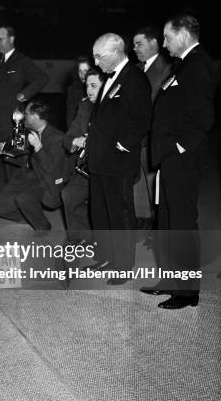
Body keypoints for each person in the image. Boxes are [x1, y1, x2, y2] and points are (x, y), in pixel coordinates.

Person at [144, 14, 215, 309]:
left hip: (180, 159)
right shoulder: (182, 65)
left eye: (167, 37)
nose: (163, 43)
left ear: (183, 35)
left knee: (182, 223)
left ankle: (188, 293)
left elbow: (201, 117)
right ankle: (171, 280)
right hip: (169, 158)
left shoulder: (198, 66)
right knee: (169, 222)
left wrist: (178, 147)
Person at [87, 33, 152, 284]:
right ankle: (106, 258)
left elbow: (142, 118)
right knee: (102, 212)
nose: (96, 61)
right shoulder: (110, 78)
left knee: (120, 214)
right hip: (100, 159)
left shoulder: (135, 78)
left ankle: (124, 266)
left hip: (117, 159)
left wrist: (123, 144)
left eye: (99, 56)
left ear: (116, 53)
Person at [0, 26, 49, 198]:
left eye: (1, 38)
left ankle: (13, 202)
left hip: (11, 121)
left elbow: (42, 78)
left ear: (12, 39)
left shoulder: (22, 61)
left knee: (12, 161)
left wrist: (25, 94)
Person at [0, 101, 66, 231]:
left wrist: (38, 147)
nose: (24, 117)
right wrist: (6, 151)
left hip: (44, 180)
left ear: (35, 117)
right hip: (26, 176)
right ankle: (26, 217)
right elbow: (24, 160)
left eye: (27, 114)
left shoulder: (58, 138)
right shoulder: (29, 133)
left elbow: (50, 168)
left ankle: (43, 226)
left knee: (23, 198)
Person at [132, 26, 173, 229]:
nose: (135, 48)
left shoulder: (167, 68)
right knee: (139, 185)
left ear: (154, 42)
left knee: (153, 185)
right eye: (133, 44)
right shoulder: (137, 68)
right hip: (136, 136)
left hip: (153, 136)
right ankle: (145, 223)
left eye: (139, 44)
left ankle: (156, 225)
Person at [60, 68, 104, 245]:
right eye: (87, 86)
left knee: (101, 205)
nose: (89, 90)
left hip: (109, 168)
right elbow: (68, 137)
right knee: (69, 194)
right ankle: (80, 238)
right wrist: (75, 140)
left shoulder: (116, 106)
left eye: (94, 85)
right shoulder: (85, 106)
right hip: (87, 167)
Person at [65, 56, 91, 128]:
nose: (82, 75)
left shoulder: (102, 86)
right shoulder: (73, 89)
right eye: (80, 71)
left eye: (86, 70)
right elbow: (70, 115)